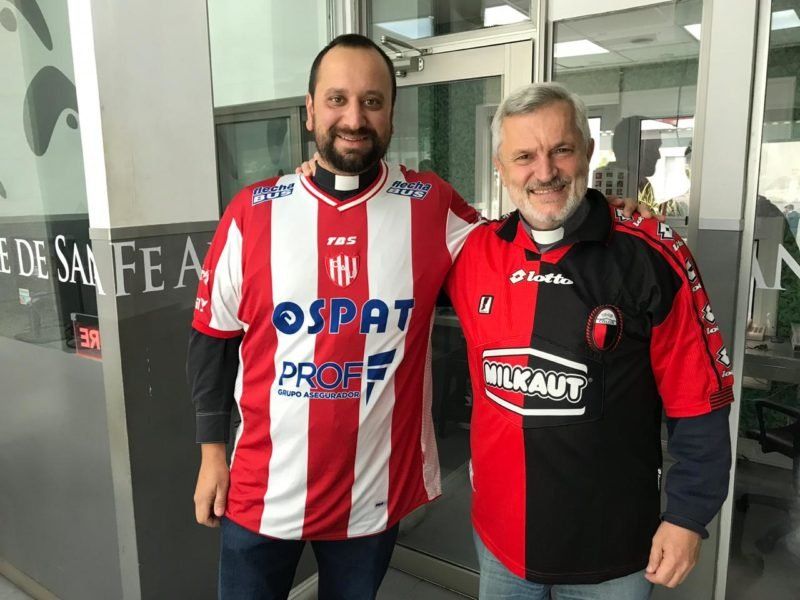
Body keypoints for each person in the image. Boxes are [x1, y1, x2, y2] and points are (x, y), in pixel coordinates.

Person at [189, 35, 647, 600]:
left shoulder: (430, 204)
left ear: (391, 114)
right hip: (261, 490)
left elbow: (520, 239)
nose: (354, 118)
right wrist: (212, 453)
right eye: (337, 100)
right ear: (310, 110)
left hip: (373, 494)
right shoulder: (252, 212)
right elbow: (212, 338)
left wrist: (601, 211)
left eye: (372, 102)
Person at [443, 82, 734, 599]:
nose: (545, 172)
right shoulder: (474, 254)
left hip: (613, 554)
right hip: (500, 545)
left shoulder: (650, 254)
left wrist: (688, 516)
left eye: (561, 150)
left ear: (588, 152)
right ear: (500, 166)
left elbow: (699, 400)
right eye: (524, 156)